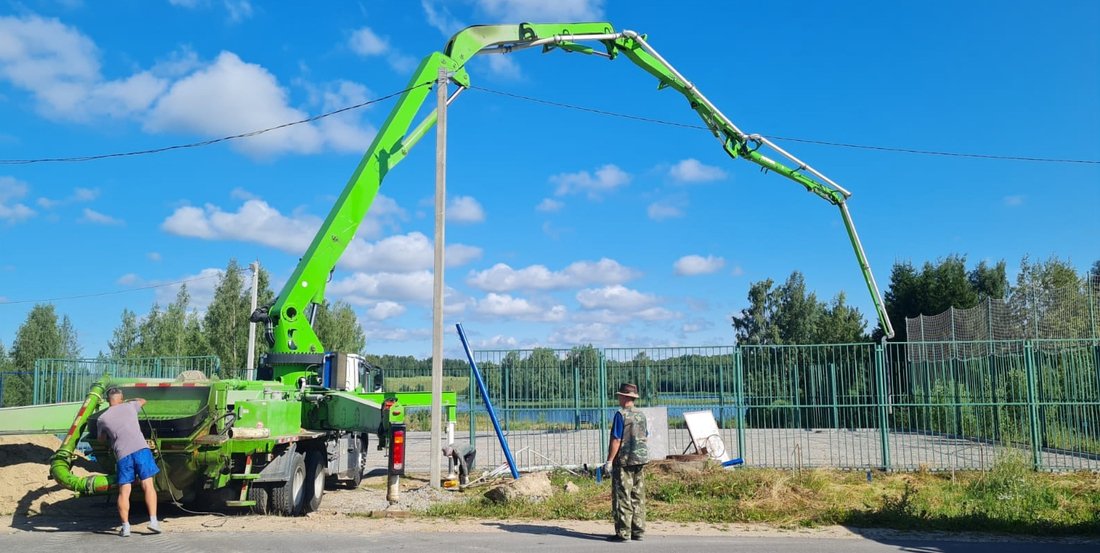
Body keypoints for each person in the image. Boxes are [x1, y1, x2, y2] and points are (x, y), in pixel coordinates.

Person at [97, 387, 160, 537]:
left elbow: (101, 440)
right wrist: (129, 400)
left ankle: (125, 527)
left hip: (122, 453)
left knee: (124, 491)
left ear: (107, 401)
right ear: (121, 398)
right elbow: (143, 401)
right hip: (141, 449)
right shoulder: (130, 406)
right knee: (147, 484)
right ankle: (153, 522)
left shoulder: (102, 418)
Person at [603, 383, 649, 542]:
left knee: (623, 495)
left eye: (619, 395)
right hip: (640, 459)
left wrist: (609, 461)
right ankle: (638, 530)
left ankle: (624, 532)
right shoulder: (641, 415)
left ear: (624, 397)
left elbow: (616, 439)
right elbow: (645, 436)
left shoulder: (620, 415)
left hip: (624, 460)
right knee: (638, 495)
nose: (618, 398)